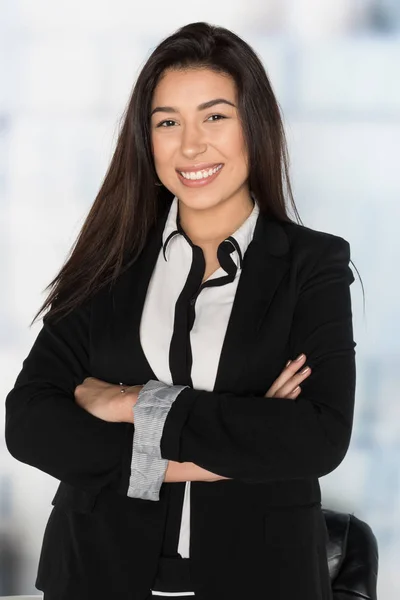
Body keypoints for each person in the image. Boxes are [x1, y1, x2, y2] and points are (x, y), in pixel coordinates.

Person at [4, 21, 356, 600]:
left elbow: (318, 436)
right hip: (94, 574)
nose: (190, 145)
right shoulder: (111, 261)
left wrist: (128, 402)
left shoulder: (311, 265)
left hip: (264, 578)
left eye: (215, 116)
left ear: (254, 126)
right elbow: (30, 424)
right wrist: (230, 440)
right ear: (148, 138)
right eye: (168, 122)